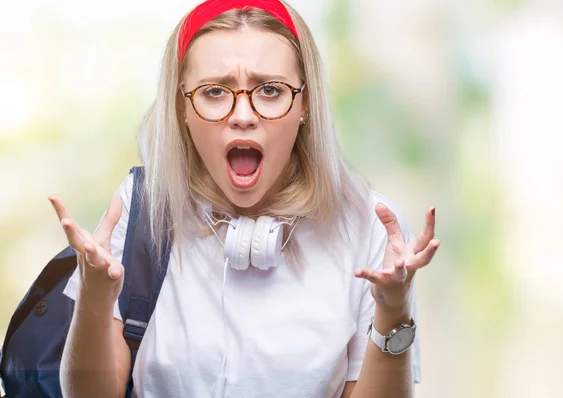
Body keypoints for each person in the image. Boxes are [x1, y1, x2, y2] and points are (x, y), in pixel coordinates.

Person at [48, 0, 439, 397]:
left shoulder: (368, 224)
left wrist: (393, 308)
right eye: (214, 91)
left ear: (304, 103)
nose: (243, 115)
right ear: (182, 106)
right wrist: (95, 298)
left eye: (270, 90)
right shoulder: (144, 209)